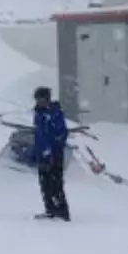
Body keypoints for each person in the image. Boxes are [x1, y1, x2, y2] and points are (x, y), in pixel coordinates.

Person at [32, 87, 71, 221]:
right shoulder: (38, 114)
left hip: (55, 155)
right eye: (37, 99)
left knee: (56, 183)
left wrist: (52, 149)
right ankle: (50, 209)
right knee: (44, 183)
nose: (39, 102)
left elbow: (62, 133)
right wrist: (39, 151)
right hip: (42, 154)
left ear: (47, 99)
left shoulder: (55, 113)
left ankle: (62, 211)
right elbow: (39, 134)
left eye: (41, 99)